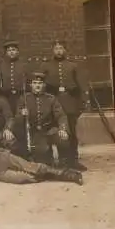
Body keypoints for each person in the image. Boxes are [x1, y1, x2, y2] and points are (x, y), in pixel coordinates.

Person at [40, 40, 91, 171]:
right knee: (53, 132)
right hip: (53, 104)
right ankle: (54, 160)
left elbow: (80, 86)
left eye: (61, 48)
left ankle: (72, 160)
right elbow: (42, 87)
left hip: (70, 104)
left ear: (65, 50)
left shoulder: (73, 66)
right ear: (52, 50)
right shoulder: (46, 66)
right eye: (56, 48)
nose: (58, 51)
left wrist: (82, 102)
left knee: (71, 133)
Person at [15, 72, 71, 167]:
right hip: (33, 133)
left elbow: (61, 116)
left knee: (62, 138)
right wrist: (22, 114)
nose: (37, 85)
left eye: (40, 83)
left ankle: (63, 163)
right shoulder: (24, 99)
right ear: (31, 85)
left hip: (48, 131)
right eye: (35, 83)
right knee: (42, 161)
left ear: (44, 85)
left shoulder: (51, 99)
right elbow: (17, 119)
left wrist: (63, 129)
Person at [0, 40, 29, 112]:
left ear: (17, 51)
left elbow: (28, 81)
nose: (11, 52)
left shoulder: (24, 65)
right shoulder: (1, 66)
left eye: (13, 50)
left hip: (20, 96)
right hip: (6, 96)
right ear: (6, 53)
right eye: (9, 50)